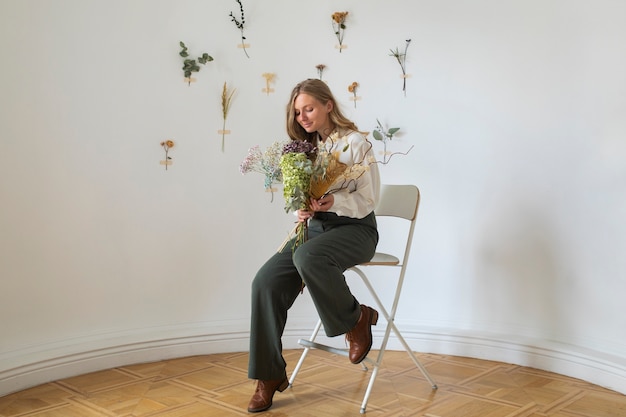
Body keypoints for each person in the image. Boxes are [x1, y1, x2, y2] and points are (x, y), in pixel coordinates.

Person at [247, 79, 381, 413]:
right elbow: (297, 193)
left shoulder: (355, 143)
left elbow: (368, 199)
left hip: (355, 229)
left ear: (328, 105)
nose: (303, 117)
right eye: (298, 111)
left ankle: (356, 320)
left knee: (308, 256)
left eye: (309, 108)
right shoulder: (301, 149)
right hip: (314, 230)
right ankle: (268, 376)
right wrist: (301, 207)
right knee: (264, 282)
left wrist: (332, 199)